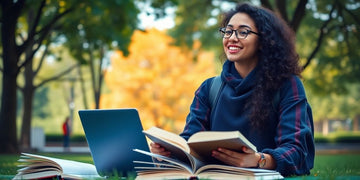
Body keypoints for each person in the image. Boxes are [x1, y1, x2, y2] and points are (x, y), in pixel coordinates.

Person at [150, 2, 314, 177]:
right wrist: (169, 151)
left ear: (263, 41)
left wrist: (260, 160)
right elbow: (191, 141)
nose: (232, 38)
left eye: (243, 32)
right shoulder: (208, 89)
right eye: (228, 31)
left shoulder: (288, 85)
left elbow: (297, 151)